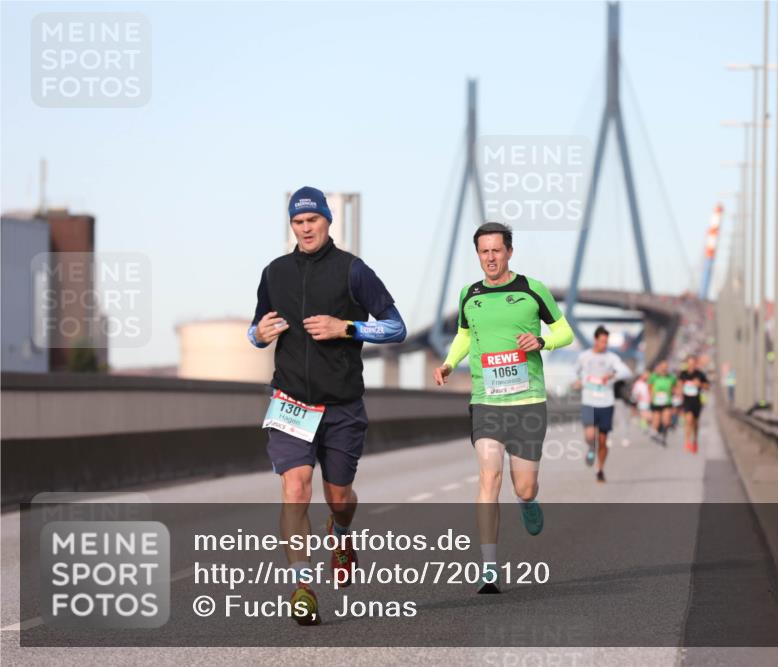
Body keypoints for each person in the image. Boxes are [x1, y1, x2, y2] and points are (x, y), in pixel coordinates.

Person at [249, 186, 407, 625]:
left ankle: (340, 532)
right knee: (295, 488)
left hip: (342, 406)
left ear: (327, 221)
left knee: (339, 499)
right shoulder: (274, 272)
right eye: (298, 222)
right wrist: (258, 335)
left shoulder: (353, 271)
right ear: (291, 226)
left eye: (312, 220)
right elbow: (256, 328)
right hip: (290, 402)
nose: (305, 229)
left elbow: (396, 327)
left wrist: (347, 328)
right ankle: (302, 587)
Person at [433, 222, 573, 594]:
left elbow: (565, 332)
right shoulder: (469, 294)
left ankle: (528, 501)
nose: (491, 258)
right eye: (484, 252)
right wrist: (449, 363)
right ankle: (489, 568)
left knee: (523, 487)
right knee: (489, 477)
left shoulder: (532, 289)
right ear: (478, 254)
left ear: (509, 251)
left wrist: (542, 341)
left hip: (528, 401)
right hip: (486, 401)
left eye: (497, 250)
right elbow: (465, 335)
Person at [573, 325, 632, 482]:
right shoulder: (584, 357)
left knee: (603, 441)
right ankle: (591, 447)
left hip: (606, 402)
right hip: (589, 401)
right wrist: (577, 381)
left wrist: (612, 375)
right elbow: (575, 372)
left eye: (606, 342)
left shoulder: (612, 358)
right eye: (602, 341)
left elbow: (626, 372)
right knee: (590, 435)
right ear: (595, 340)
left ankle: (599, 469)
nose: (604, 344)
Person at [678, 354, 710, 453]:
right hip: (687, 401)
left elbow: (707, 386)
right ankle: (687, 442)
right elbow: (679, 385)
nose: (691, 365)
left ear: (695, 364)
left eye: (693, 363)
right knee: (688, 420)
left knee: (695, 423)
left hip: (696, 401)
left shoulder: (700, 374)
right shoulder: (683, 374)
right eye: (689, 363)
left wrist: (700, 384)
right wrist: (679, 390)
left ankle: (695, 440)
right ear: (687, 364)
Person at [647, 360, 677, 443]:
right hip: (656, 401)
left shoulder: (671, 377)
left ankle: (663, 434)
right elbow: (649, 386)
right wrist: (651, 396)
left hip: (667, 401)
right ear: (659, 367)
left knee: (666, 420)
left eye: (666, 367)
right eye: (662, 367)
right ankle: (655, 433)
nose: (664, 369)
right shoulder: (654, 376)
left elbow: (675, 387)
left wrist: (674, 392)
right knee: (656, 420)